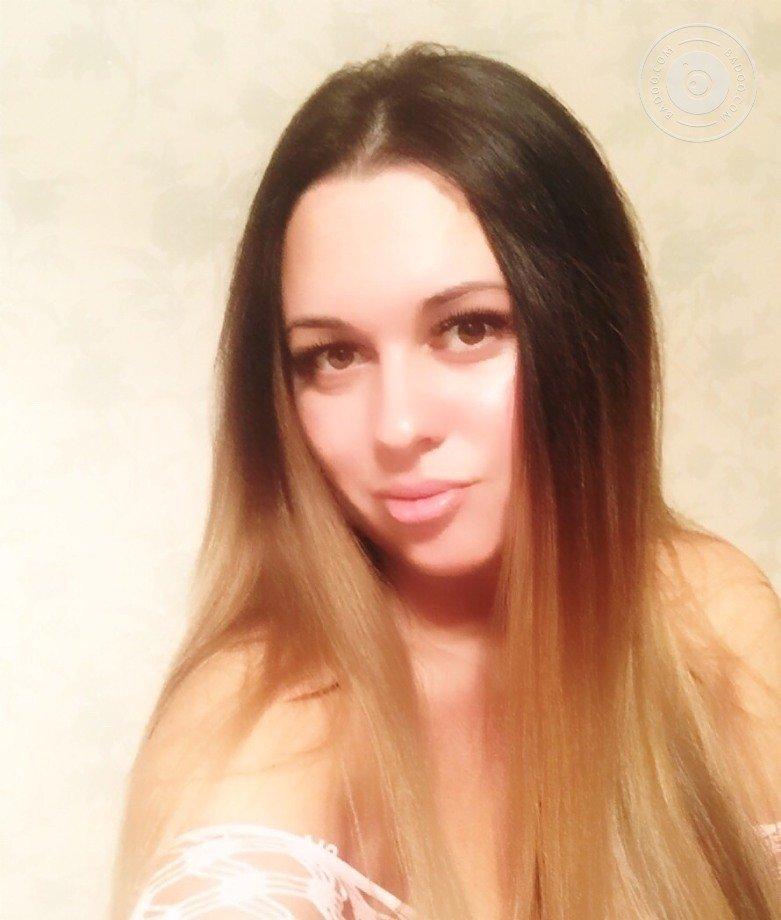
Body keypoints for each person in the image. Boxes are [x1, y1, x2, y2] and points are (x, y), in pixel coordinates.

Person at [109, 41, 780, 919]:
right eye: (333, 355)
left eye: (468, 329)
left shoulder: (702, 609)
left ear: (589, 335)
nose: (396, 427)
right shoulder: (263, 707)